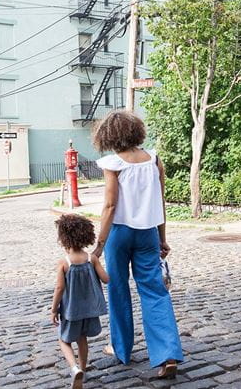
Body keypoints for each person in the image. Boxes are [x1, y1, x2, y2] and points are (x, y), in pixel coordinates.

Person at [92, 110, 183, 379]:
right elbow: (160, 201)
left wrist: (99, 245)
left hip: (120, 234)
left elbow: (110, 205)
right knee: (155, 291)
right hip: (148, 234)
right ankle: (167, 353)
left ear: (108, 135)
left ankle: (121, 348)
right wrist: (162, 237)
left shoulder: (113, 163)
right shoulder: (153, 159)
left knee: (118, 289)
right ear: (135, 131)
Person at [50, 214, 109, 389]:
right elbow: (106, 279)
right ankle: (83, 368)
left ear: (63, 239)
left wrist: (54, 310)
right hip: (90, 310)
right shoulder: (92, 259)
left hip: (70, 311)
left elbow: (59, 288)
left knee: (64, 340)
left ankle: (75, 368)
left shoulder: (64, 263)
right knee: (82, 338)